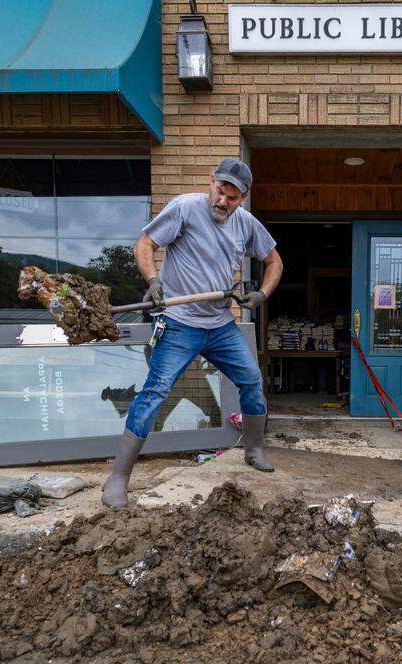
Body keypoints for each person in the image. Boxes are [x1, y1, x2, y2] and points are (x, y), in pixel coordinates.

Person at [101, 158, 284, 509]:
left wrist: (262, 293)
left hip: (220, 326)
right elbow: (144, 245)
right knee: (155, 391)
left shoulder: (246, 225)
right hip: (179, 322)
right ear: (211, 181)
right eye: (219, 191)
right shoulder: (185, 208)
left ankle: (254, 447)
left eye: (232, 197)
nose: (222, 202)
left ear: (242, 198)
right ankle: (118, 476)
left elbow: (274, 262)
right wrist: (153, 280)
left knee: (251, 378)